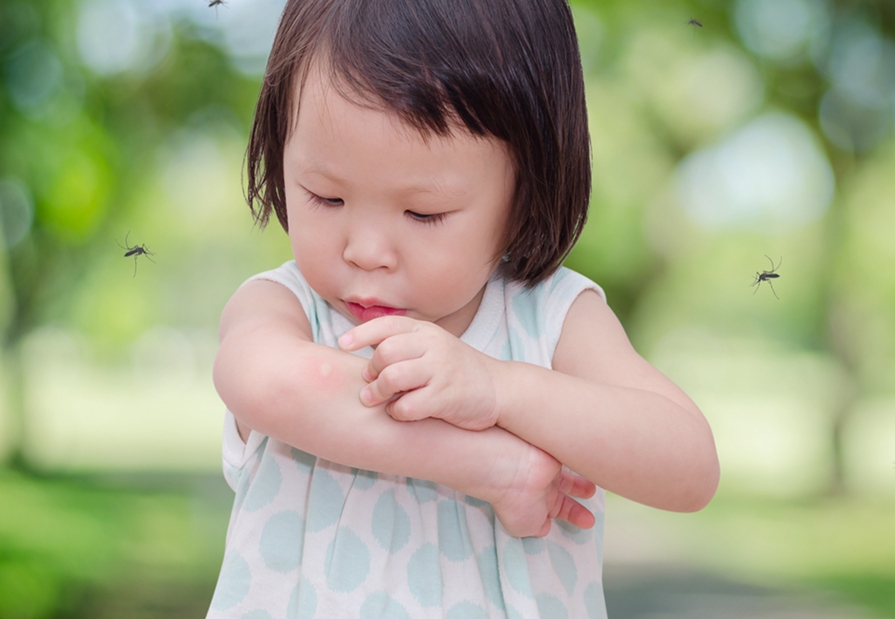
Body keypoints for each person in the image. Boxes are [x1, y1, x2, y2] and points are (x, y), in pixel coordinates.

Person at [206, 0, 720, 616]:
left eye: (423, 213)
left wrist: (498, 388)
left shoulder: (551, 321)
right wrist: (491, 465)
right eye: (326, 197)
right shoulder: (285, 310)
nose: (366, 251)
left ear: (527, 189)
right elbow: (270, 385)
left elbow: (689, 465)